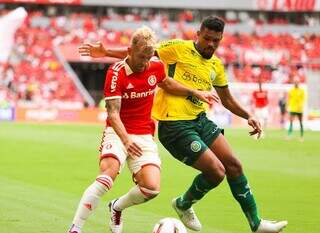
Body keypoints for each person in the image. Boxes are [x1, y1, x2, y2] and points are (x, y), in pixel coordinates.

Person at [78, 16, 288, 233]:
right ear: (198, 35)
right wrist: (106, 52)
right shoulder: (177, 48)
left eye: (216, 40)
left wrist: (248, 115)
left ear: (221, 39)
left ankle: (255, 223)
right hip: (174, 124)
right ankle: (182, 204)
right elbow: (141, 51)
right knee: (216, 170)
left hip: (200, 120)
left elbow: (226, 99)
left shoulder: (215, 65)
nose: (211, 44)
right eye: (207, 38)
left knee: (232, 165)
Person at [69, 26, 216, 233]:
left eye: (148, 57)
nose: (144, 63)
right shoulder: (116, 72)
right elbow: (112, 113)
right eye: (141, 57)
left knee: (151, 188)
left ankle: (117, 207)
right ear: (129, 50)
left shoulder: (155, 65)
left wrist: (195, 92)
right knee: (106, 176)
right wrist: (127, 140)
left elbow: (166, 83)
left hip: (144, 134)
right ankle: (75, 227)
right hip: (118, 131)